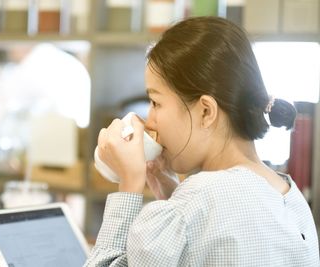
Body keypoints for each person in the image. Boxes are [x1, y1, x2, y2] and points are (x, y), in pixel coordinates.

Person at [85, 16, 319, 266]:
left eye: (155, 103)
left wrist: (130, 184)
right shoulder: (292, 197)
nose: (149, 121)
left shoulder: (195, 201)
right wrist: (171, 195)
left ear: (206, 111)